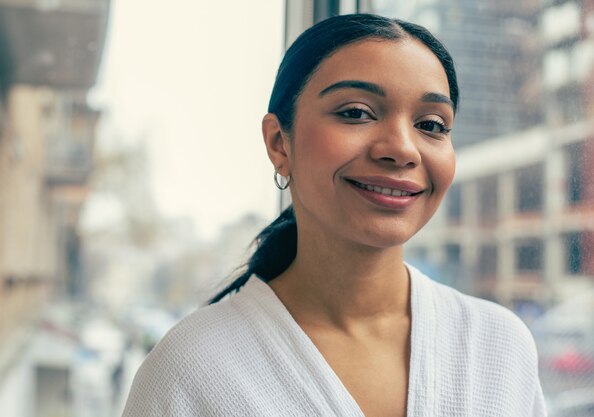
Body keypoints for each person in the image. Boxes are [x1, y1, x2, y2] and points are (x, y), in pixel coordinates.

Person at [122, 14, 546, 417]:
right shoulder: (192, 370)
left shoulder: (499, 347)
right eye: (356, 113)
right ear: (278, 143)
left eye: (432, 124)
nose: (401, 148)